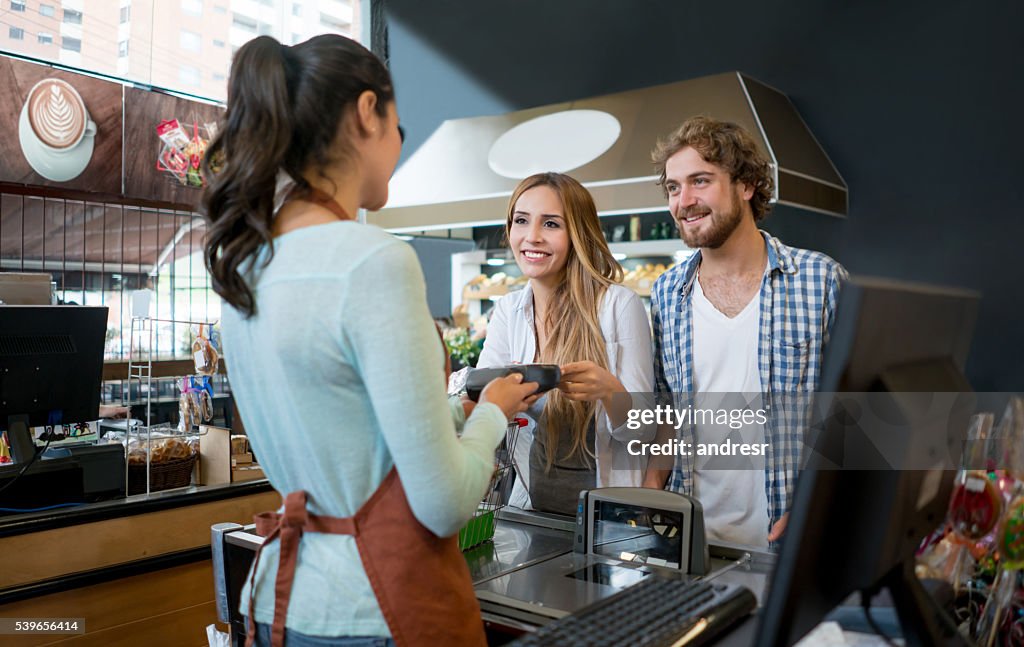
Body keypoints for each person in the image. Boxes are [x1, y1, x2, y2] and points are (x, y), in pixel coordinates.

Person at [202, 35, 537, 647]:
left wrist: (449, 417)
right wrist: (489, 417)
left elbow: (340, 439)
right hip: (379, 609)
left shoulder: (244, 267)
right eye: (398, 125)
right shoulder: (374, 262)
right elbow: (444, 503)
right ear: (366, 112)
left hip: (283, 601)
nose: (400, 143)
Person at [643, 116, 847, 548]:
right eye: (673, 188)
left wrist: (820, 505)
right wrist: (649, 498)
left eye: (700, 181)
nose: (684, 200)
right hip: (691, 544)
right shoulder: (666, 293)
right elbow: (667, 416)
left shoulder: (819, 280)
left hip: (788, 542)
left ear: (747, 184)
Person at [477, 172, 655, 516]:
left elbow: (644, 431)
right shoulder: (508, 310)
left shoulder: (618, 305)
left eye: (551, 224)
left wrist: (609, 390)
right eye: (521, 220)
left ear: (578, 232)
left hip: (608, 519)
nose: (532, 237)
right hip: (530, 512)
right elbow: (483, 397)